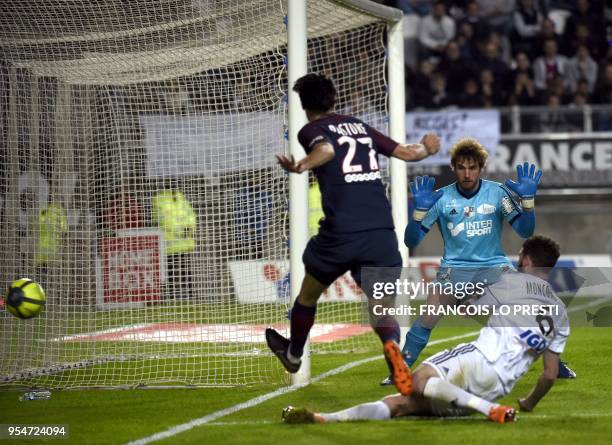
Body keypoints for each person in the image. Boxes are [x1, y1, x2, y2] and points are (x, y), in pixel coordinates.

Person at [265, 73, 440, 395]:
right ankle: (395, 357)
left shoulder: (311, 130)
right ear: (334, 99)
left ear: (303, 105)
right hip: (380, 232)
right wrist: (427, 149)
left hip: (340, 234)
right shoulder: (359, 126)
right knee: (381, 309)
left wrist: (302, 166)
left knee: (307, 295)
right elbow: (407, 153)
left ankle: (293, 354)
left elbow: (327, 151)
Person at [282, 236, 569, 425]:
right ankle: (323, 418)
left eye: (520, 257)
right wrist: (529, 402)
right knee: (402, 405)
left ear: (526, 260)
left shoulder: (512, 282)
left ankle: (488, 410)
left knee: (414, 380)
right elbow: (549, 374)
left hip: (480, 360)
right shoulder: (560, 313)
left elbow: (469, 302)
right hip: (499, 387)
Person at [382, 137, 575, 385]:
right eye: (461, 167)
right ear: (453, 168)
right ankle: (402, 368)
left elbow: (525, 231)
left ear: (481, 168)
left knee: (528, 308)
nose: (467, 173)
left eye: (472, 167)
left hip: (494, 268)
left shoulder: (497, 193)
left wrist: (528, 204)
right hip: (454, 271)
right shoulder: (440, 198)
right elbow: (411, 240)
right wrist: (418, 214)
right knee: (428, 316)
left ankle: (555, 363)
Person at [151, 188, 197, 299]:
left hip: (184, 243)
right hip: (169, 245)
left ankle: (189, 296)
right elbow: (162, 220)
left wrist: (189, 227)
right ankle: (172, 296)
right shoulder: (158, 199)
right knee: (171, 273)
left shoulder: (180, 196)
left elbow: (191, 215)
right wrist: (180, 230)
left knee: (186, 272)